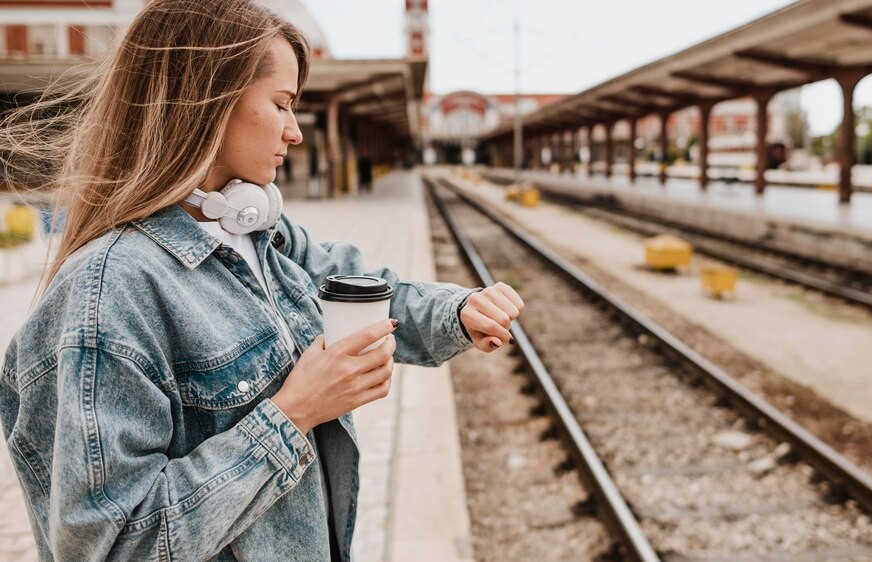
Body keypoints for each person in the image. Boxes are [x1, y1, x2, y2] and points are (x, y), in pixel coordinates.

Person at [0, 1, 523, 560]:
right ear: (207, 102)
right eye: (281, 104)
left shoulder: (262, 235)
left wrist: (458, 312)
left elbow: (360, 287)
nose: (294, 132)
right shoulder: (107, 294)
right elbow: (111, 546)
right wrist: (294, 413)